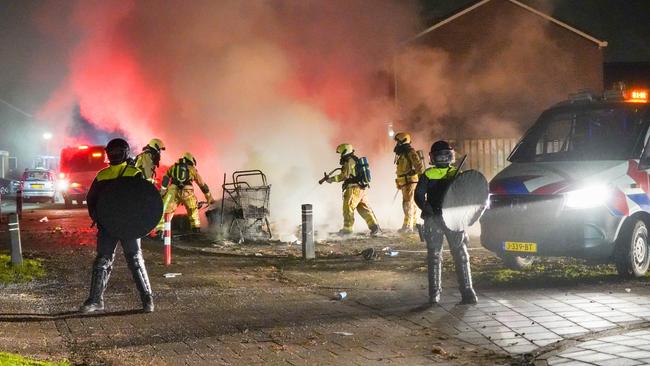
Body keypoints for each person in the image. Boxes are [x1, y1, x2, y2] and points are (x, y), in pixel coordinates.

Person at [81, 138, 154, 313]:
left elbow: (144, 199)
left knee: (124, 260)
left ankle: (146, 299)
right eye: (111, 152)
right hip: (116, 225)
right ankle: (97, 301)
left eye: (115, 152)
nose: (113, 155)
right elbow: (92, 200)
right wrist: (99, 218)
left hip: (122, 225)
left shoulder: (124, 174)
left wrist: (98, 217)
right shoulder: (113, 174)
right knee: (110, 261)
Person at [415, 140, 477, 305]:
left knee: (438, 257)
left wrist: (427, 209)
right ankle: (466, 293)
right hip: (448, 219)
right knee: (458, 255)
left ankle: (436, 295)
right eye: (440, 156)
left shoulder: (432, 174)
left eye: (445, 155)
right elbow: (419, 196)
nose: (443, 158)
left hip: (439, 219)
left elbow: (419, 197)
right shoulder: (454, 173)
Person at [325, 143, 380, 236]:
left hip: (353, 189)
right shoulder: (354, 160)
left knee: (348, 208)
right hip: (360, 189)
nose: (341, 155)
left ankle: (347, 229)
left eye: (341, 152)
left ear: (345, 151)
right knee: (363, 209)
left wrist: (332, 179)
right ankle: (374, 226)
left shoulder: (349, 161)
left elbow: (344, 175)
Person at [156, 152, 215, 234]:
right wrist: (209, 198)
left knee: (166, 210)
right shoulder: (192, 170)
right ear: (190, 160)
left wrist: (163, 191)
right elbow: (202, 185)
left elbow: (166, 178)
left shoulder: (173, 167)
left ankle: (160, 231)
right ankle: (196, 231)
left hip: (173, 192)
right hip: (187, 192)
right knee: (193, 211)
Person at [393, 132, 425, 233]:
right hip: (405, 182)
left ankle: (407, 226)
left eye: (398, 141)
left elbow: (419, 166)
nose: (397, 143)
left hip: (410, 182)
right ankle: (415, 225)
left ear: (403, 141)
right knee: (412, 203)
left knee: (407, 204)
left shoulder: (410, 152)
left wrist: (422, 179)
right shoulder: (403, 153)